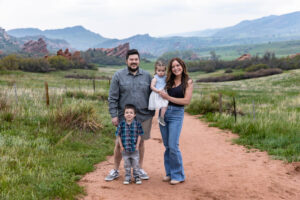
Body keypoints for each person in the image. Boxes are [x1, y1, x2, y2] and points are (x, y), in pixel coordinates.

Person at [105, 49, 154, 181]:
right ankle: (115, 170)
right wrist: (113, 115)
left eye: (136, 59)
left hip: (143, 115)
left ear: (139, 60)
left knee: (141, 143)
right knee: (119, 143)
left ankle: (139, 169)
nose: (134, 62)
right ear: (126, 60)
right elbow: (113, 97)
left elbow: (153, 96)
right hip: (123, 116)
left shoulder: (147, 76)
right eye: (131, 59)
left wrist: (153, 113)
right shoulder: (118, 76)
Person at [158, 57, 193, 185]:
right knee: (167, 146)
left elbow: (186, 101)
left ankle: (178, 175)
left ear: (182, 66)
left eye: (178, 65)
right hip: (163, 113)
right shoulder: (168, 80)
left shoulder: (188, 82)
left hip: (176, 114)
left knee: (173, 145)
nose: (176, 68)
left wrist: (168, 97)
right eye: (173, 67)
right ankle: (169, 173)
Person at [116, 104, 144, 185]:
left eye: (131, 113)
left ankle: (136, 177)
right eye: (127, 112)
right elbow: (119, 135)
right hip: (125, 149)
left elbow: (139, 135)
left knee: (135, 163)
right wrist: (121, 146)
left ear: (134, 115)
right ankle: (127, 177)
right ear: (124, 114)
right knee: (127, 164)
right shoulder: (121, 124)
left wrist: (137, 145)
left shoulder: (137, 124)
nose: (129, 114)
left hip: (134, 149)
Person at [148, 60, 168, 126]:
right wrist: (158, 91)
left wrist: (164, 89)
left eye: (163, 71)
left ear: (165, 71)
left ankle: (161, 117)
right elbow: (152, 86)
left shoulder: (165, 78)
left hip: (163, 93)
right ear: (156, 70)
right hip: (156, 94)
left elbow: (166, 85)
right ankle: (154, 118)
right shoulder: (155, 78)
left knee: (165, 105)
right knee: (157, 106)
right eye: (159, 71)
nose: (161, 72)